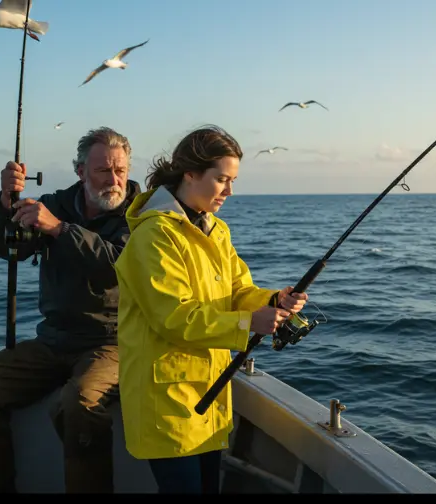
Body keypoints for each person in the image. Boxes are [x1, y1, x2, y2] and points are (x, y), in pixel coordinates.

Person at [114, 125, 309, 494]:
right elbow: (174, 317)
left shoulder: (215, 230)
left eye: (233, 180)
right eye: (222, 179)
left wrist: (273, 301)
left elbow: (237, 290)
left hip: (209, 398)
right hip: (167, 405)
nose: (230, 192)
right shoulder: (154, 237)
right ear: (190, 173)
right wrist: (251, 322)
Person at [0, 126, 141, 493]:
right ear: (80, 171)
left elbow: (118, 265)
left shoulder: (143, 215)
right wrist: (5, 203)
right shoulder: (53, 204)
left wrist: (59, 230)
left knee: (79, 402)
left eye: (120, 169)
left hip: (114, 342)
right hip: (54, 339)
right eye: (104, 170)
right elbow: (6, 247)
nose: (114, 179)